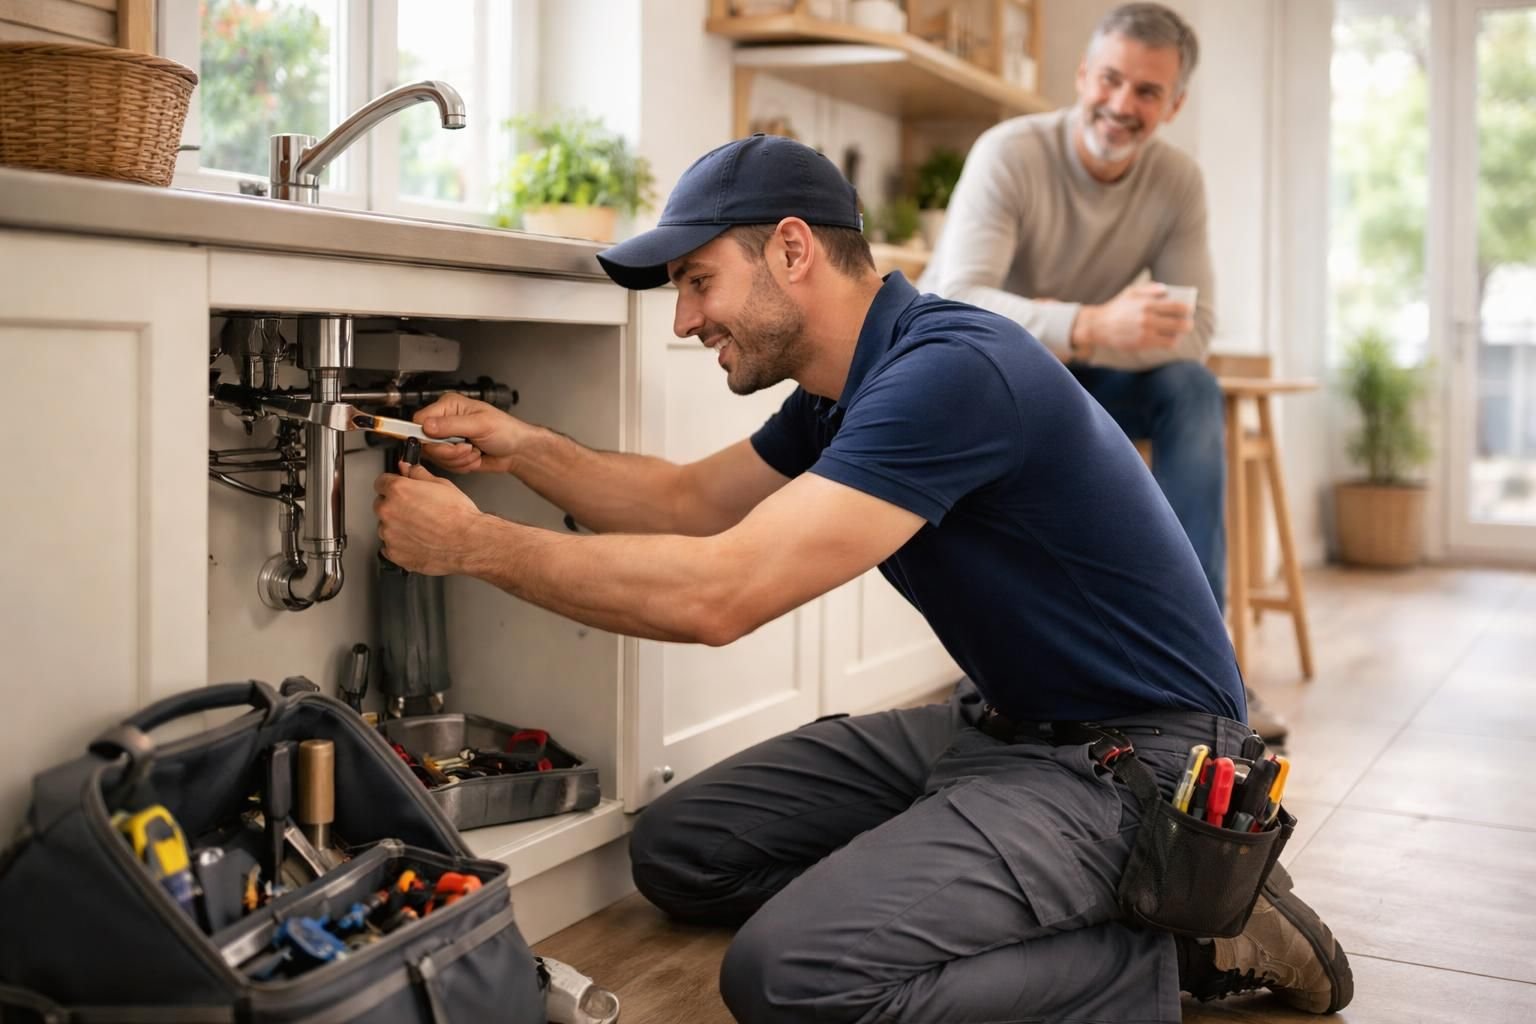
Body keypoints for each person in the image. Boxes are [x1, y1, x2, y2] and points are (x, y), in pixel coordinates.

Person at [372, 134, 1351, 1022]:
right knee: (681, 849)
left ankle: (1176, 943)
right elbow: (683, 503)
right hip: (1006, 723)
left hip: (1140, 764)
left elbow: (722, 594)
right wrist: (521, 448)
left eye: (699, 281)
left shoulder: (951, 373)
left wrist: (476, 546)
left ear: (793, 250)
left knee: (788, 976)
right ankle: (982, 877)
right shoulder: (839, 394)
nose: (684, 319)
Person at [919, 2, 1289, 744]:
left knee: (1193, 390)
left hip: (1089, 379)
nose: (1123, 105)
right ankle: (1027, 669)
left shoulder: (1177, 181)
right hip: (999, 381)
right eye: (1111, 80)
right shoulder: (1010, 152)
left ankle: (1203, 665)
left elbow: (1199, 332)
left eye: (1147, 92)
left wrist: (1085, 336)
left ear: (1174, 104)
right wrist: (1090, 323)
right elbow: (954, 298)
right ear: (1083, 75)